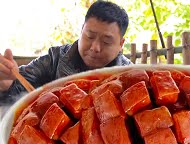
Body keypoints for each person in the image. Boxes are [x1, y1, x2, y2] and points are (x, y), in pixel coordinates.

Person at [0, 0, 132, 105]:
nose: (95, 47)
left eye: (106, 42)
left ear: (121, 44)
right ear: (81, 31)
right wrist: (5, 86)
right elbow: (17, 91)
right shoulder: (55, 58)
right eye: (90, 36)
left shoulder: (130, 75)